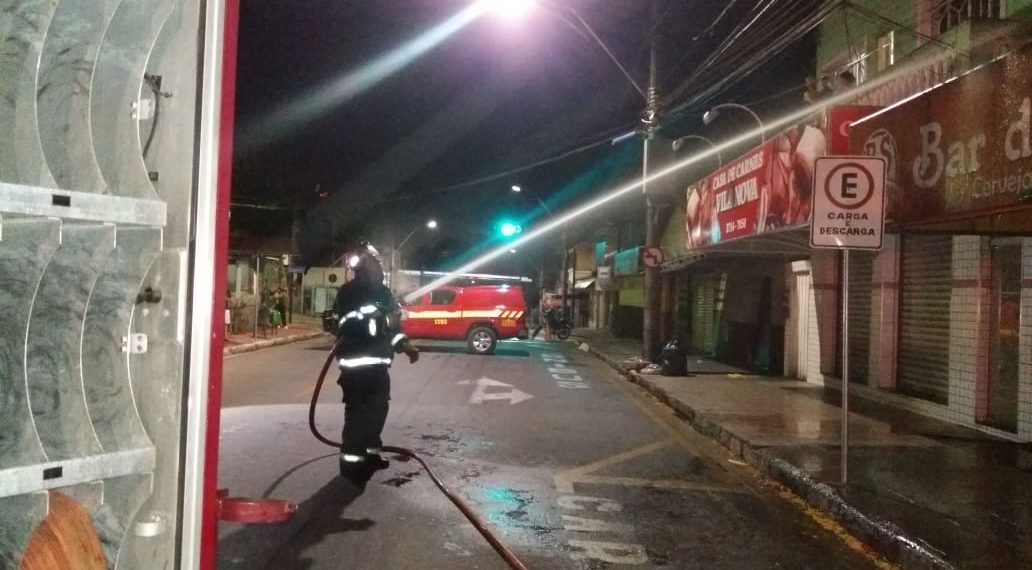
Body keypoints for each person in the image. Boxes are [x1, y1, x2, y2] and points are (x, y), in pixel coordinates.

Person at [332, 244, 419, 480]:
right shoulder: (348, 293)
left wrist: (405, 345)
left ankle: (371, 454)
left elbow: (394, 326)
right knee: (358, 414)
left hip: (379, 366)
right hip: (355, 366)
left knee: (378, 411)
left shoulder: (383, 293)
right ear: (364, 269)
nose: (377, 271)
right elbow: (346, 323)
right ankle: (351, 463)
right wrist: (375, 322)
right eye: (373, 267)